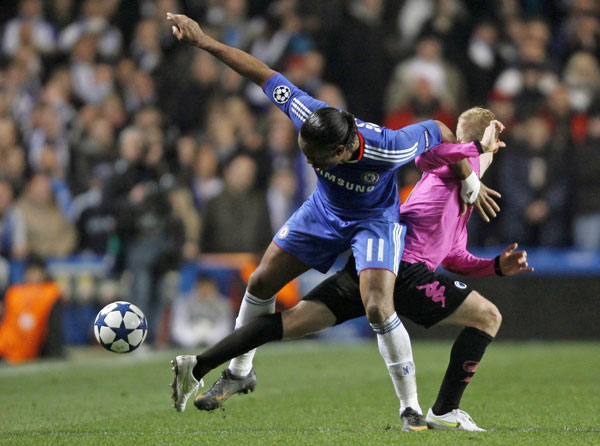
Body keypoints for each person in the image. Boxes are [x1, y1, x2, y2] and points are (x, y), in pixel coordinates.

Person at [166, 12, 500, 429]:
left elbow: (438, 129)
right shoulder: (310, 114)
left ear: (344, 152)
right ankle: (238, 372)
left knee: (378, 307)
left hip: (375, 222)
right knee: (261, 281)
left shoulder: (391, 146)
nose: (307, 158)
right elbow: (262, 73)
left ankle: (411, 409)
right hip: (323, 212)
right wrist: (204, 43)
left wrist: (469, 173)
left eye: (315, 157)